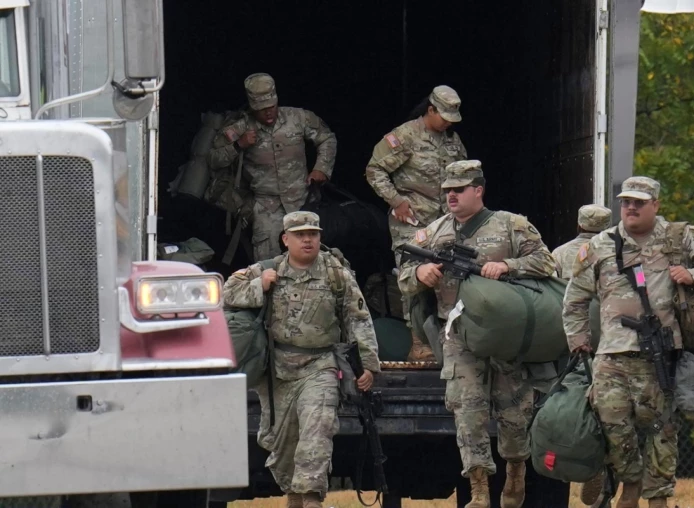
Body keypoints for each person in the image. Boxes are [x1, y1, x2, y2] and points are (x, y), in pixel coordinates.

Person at [562, 177, 694, 508]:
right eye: (626, 202)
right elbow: (574, 299)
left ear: (656, 204)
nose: (631, 207)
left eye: (639, 202)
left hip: (661, 354)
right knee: (612, 423)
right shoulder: (600, 245)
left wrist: (693, 275)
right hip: (611, 354)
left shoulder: (678, 237)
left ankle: (659, 498)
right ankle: (630, 481)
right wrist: (578, 337)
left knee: (662, 430)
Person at [398, 160, 556, 508]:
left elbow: (547, 263)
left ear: (478, 190)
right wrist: (421, 272)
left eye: (459, 189)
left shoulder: (512, 225)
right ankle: (479, 488)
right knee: (466, 411)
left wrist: (507, 266)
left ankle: (515, 469)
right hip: (458, 336)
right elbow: (404, 276)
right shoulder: (434, 232)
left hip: (504, 336)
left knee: (514, 414)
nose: (451, 196)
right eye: (447, 191)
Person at [223, 211, 381, 508]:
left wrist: (369, 365)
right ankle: (295, 496)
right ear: (285, 240)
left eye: (313, 234)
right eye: (300, 235)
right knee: (281, 442)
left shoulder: (336, 274)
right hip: (278, 370)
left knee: (317, 428)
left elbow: (359, 318)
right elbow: (225, 293)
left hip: (321, 365)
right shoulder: (269, 268)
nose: (307, 240)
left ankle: (311, 499)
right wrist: (260, 286)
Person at [365, 85, 468, 362]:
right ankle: (417, 343)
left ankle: (447, 341)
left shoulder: (452, 141)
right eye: (443, 116)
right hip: (413, 222)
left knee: (447, 278)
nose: (447, 122)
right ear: (430, 109)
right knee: (414, 277)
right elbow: (375, 170)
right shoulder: (405, 136)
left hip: (445, 222)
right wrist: (396, 200)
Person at [209, 73, 338, 262]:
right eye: (262, 110)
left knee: (312, 263)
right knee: (268, 269)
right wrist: (238, 145)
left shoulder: (298, 118)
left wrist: (321, 169)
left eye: (272, 107)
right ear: (253, 108)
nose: (268, 113)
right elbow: (213, 160)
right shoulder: (240, 128)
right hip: (265, 209)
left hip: (303, 202)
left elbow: (327, 138)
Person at [551, 204, 612, 279]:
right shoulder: (617, 253)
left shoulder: (559, 253)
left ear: (579, 226)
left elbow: (552, 286)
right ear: (608, 227)